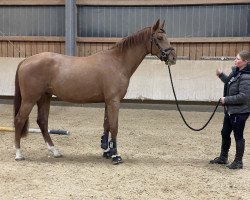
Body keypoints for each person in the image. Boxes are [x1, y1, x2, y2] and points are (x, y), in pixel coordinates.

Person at [209, 50, 250, 169]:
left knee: (238, 136)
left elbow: (244, 96)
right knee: (225, 132)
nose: (235, 60)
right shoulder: (236, 72)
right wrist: (221, 75)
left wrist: (226, 99)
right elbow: (229, 82)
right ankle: (223, 157)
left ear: (245, 61)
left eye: (238, 59)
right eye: (235, 58)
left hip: (240, 111)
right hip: (231, 110)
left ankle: (238, 161)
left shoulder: (246, 77)